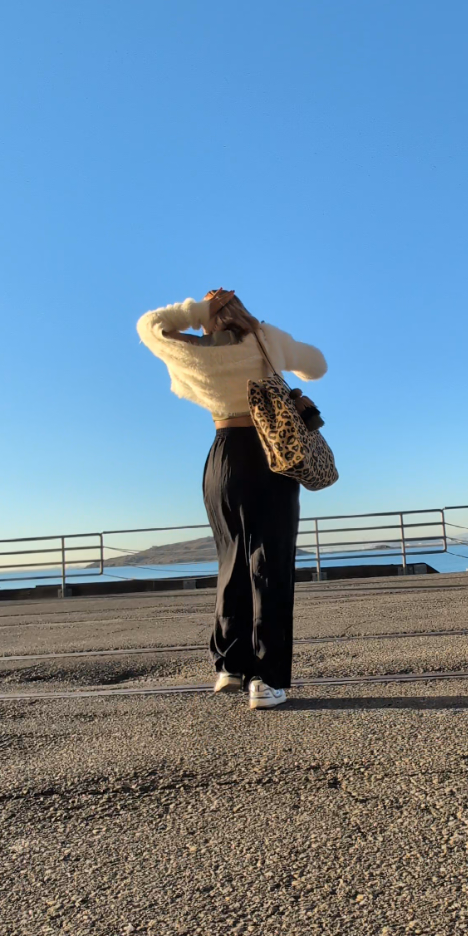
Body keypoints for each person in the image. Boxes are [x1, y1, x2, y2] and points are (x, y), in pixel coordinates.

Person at [136, 289, 327, 709]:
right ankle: (267, 680)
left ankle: (230, 665)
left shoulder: (193, 352)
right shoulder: (266, 338)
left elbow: (148, 327)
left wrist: (195, 312)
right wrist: (269, 342)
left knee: (232, 558)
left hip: (222, 457)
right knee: (270, 562)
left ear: (205, 318)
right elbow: (317, 366)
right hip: (272, 453)